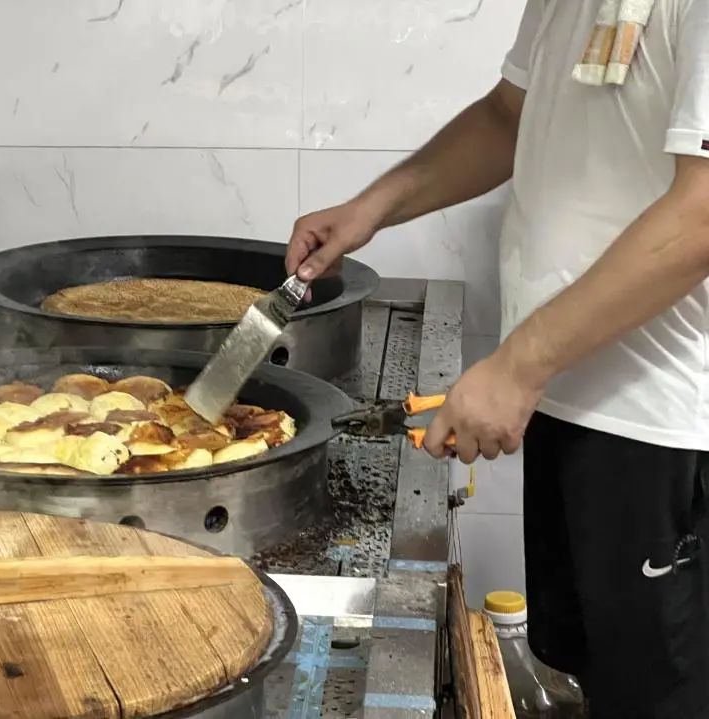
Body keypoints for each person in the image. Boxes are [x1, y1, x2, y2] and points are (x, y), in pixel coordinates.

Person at [285, 1, 709, 716]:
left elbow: (701, 215)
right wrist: (372, 209)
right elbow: (507, 118)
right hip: (572, 400)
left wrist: (517, 368)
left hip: (667, 425)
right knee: (598, 676)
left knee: (666, 697)